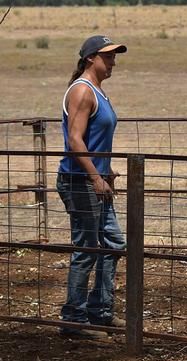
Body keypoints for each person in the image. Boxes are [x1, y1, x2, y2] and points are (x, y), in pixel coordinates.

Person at [57, 35, 128, 339]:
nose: (113, 61)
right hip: (80, 181)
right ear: (90, 59)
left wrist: (106, 171)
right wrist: (95, 176)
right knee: (86, 249)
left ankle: (100, 311)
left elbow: (96, 141)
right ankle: (73, 320)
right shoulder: (83, 92)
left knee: (113, 244)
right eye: (108, 56)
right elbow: (75, 140)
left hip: (94, 179)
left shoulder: (99, 92)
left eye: (114, 56)